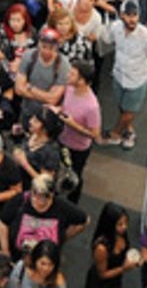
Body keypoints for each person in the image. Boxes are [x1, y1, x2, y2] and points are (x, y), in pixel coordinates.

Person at [98, 1, 147, 150]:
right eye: (128, 15)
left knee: (128, 112)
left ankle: (115, 135)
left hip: (137, 80)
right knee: (122, 107)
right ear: (121, 16)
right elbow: (108, 39)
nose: (132, 19)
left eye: (135, 15)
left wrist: (139, 66)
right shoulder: (116, 28)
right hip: (119, 76)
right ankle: (129, 131)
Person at [0, 173, 88, 257]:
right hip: (18, 254)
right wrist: (5, 250)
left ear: (51, 195)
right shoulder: (21, 200)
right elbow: (2, 222)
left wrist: (63, 237)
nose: (35, 200)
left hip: (45, 257)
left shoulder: (61, 205)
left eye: (42, 197)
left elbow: (84, 220)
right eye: (33, 194)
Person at [55, 60, 100, 203]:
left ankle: (72, 202)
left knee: (75, 175)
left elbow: (95, 133)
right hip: (62, 139)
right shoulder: (69, 88)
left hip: (78, 148)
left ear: (82, 80)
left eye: (73, 74)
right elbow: (65, 106)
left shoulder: (91, 106)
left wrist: (72, 124)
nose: (68, 75)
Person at [85, 202, 135, 288]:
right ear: (110, 224)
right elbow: (102, 275)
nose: (124, 227)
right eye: (120, 224)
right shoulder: (101, 248)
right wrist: (124, 268)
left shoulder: (121, 233)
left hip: (116, 278)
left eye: (126, 222)